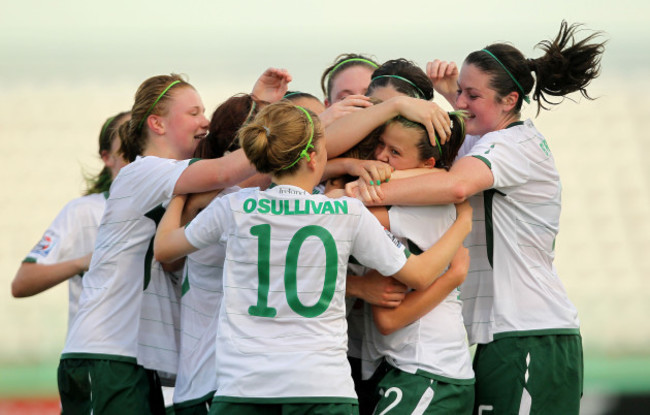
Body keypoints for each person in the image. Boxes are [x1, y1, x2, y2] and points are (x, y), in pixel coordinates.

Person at [346, 21, 606, 414]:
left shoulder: (516, 144)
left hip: (530, 330)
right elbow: (449, 151)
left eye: (473, 95)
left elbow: (454, 186)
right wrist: (453, 93)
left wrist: (355, 194)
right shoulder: (486, 137)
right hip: (497, 334)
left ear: (509, 100)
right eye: (459, 93)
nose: (460, 103)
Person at [153, 101, 473, 414]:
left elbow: (164, 248)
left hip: (243, 386)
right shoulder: (345, 211)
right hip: (322, 387)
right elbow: (418, 275)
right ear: (311, 158)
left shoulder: (235, 207)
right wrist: (462, 225)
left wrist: (182, 193)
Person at [56, 73, 262, 414]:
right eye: (193, 112)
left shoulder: (177, 180)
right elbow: (230, 170)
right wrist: (304, 129)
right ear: (157, 123)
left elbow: (250, 178)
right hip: (106, 351)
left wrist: (260, 105)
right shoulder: (144, 171)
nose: (205, 121)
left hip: (135, 357)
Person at [358, 113, 475, 414]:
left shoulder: (425, 208)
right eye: (381, 145)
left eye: (395, 153)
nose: (381, 156)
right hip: (412, 368)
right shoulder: (407, 203)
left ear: (428, 166)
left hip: (427, 367)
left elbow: (341, 207)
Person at [11, 111, 129, 312]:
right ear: (107, 157)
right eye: (127, 145)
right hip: (96, 342)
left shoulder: (172, 207)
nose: (137, 153)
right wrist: (83, 262)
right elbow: (22, 282)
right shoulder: (83, 211)